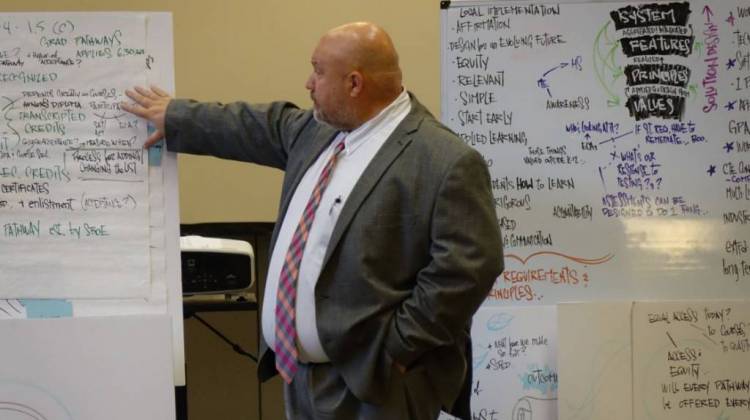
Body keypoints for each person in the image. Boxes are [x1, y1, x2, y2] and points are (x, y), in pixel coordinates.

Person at [123, 22, 503, 420]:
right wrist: (175, 116)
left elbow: (469, 268)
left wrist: (397, 349)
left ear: (355, 84)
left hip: (376, 386)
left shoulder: (443, 160)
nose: (309, 83)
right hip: (300, 380)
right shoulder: (320, 132)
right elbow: (252, 126)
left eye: (318, 71)